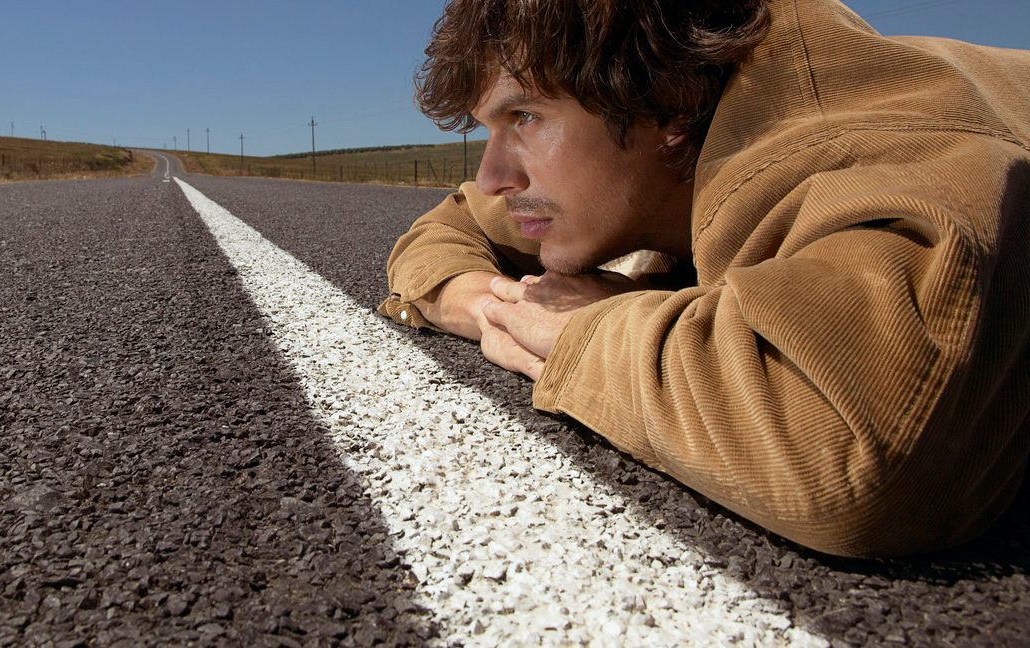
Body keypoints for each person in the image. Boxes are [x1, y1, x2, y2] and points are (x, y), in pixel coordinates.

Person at [378, 0, 1030, 558]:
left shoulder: (817, 143)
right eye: (492, 128)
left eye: (524, 118)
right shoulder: (607, 169)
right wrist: (496, 308)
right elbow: (448, 229)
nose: (495, 176)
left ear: (669, 102)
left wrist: (591, 331)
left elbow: (859, 451)